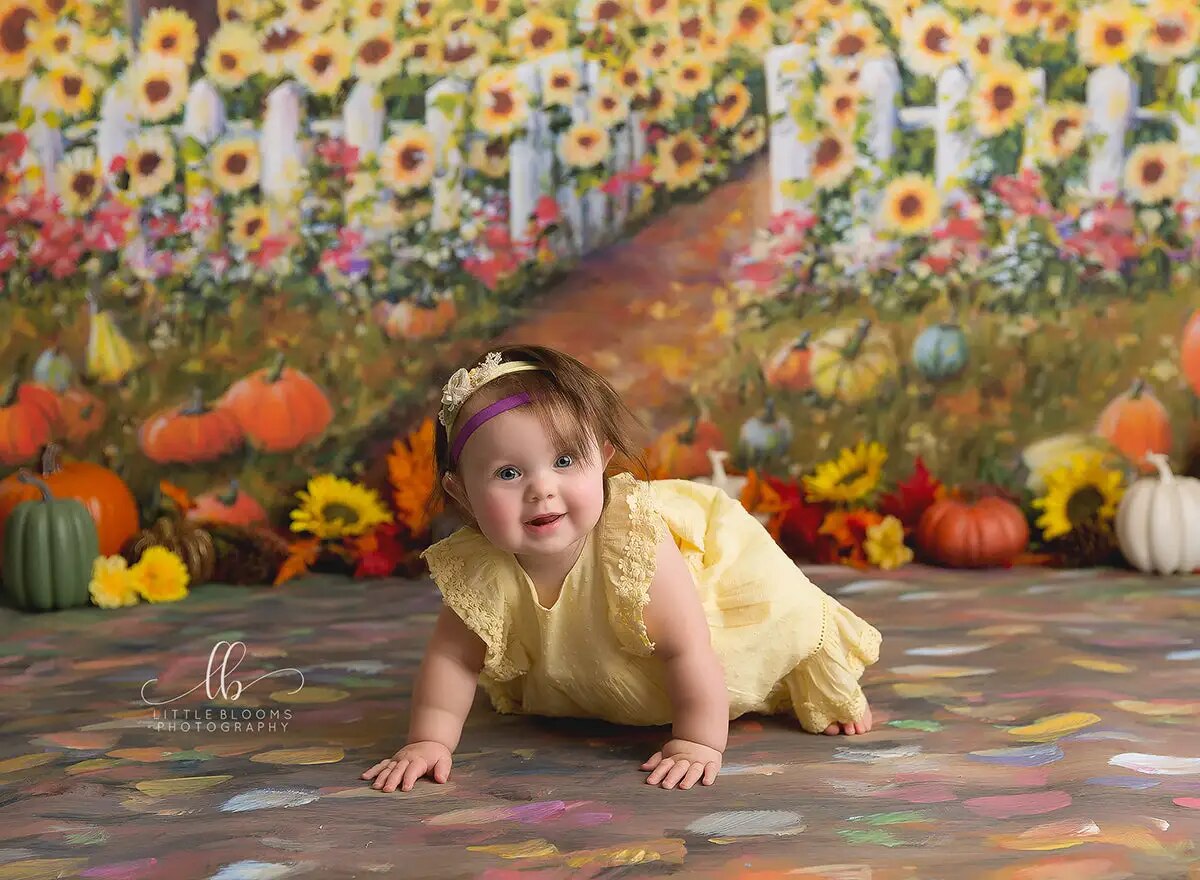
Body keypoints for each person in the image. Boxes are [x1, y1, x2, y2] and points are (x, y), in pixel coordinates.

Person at [361, 345, 881, 793]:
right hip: (595, 677)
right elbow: (452, 660)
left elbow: (687, 648)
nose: (542, 488)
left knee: (771, 638)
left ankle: (812, 674)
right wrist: (427, 740)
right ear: (462, 492)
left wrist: (697, 741)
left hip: (688, 672)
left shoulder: (632, 546)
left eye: (565, 461)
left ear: (603, 459)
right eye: (509, 472)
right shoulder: (481, 569)